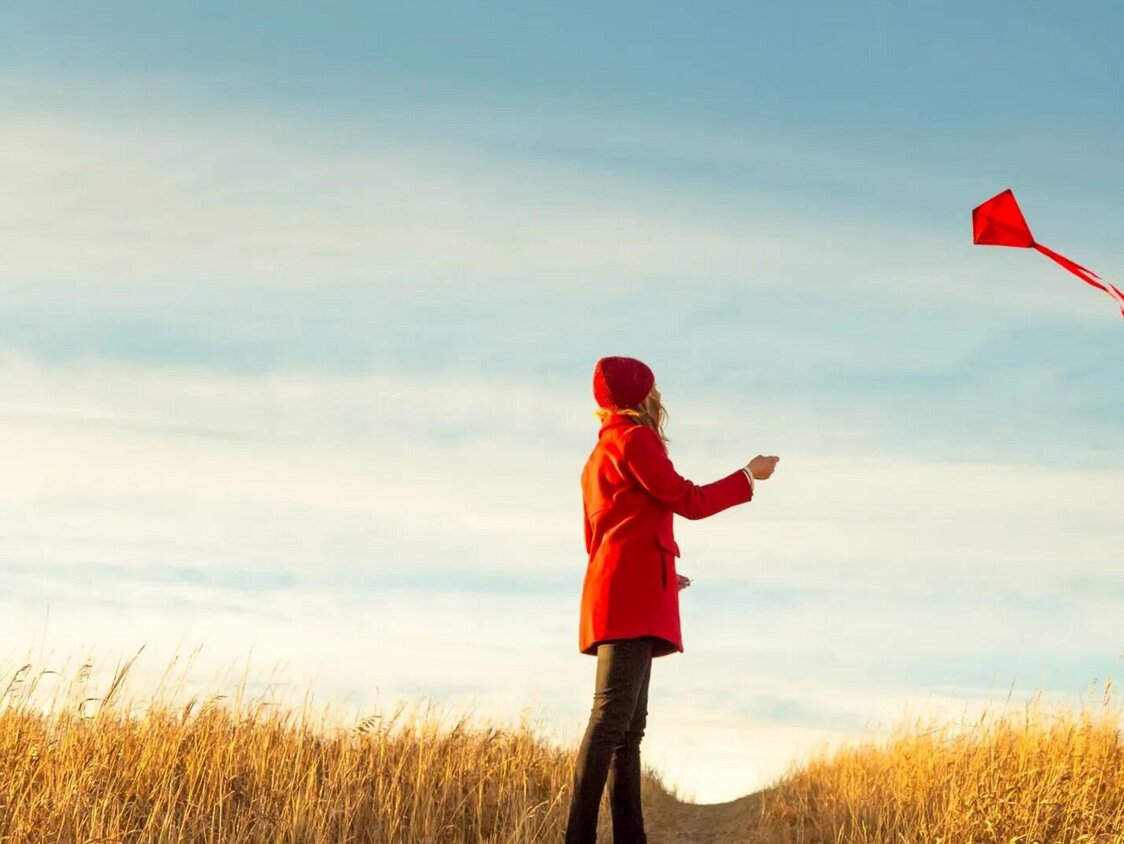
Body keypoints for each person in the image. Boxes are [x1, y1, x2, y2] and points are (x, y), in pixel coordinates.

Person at [564, 355, 779, 844]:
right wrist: (749, 475)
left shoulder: (598, 455)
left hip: (618, 592)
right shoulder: (635, 440)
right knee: (610, 724)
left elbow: (602, 538)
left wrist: (659, 570)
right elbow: (689, 500)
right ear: (643, 396)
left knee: (626, 731)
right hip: (630, 599)